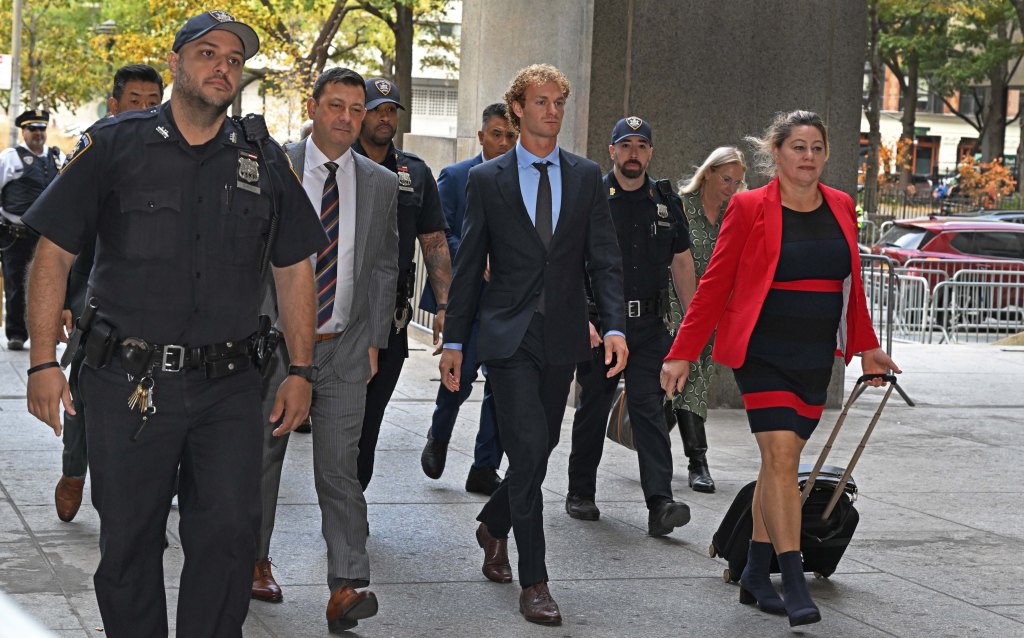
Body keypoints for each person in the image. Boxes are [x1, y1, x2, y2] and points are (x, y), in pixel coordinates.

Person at [22, 12, 327, 637]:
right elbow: (52, 254)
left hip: (231, 389)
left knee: (226, 540)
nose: (223, 67)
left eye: (235, 60)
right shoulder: (113, 144)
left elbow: (296, 266)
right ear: (176, 63)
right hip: (126, 385)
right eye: (208, 53)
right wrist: (43, 362)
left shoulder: (264, 161)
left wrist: (300, 369)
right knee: (130, 543)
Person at [660, 110, 900, 628]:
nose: (808, 156)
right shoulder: (748, 208)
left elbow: (851, 287)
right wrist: (682, 351)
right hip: (763, 353)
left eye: (816, 147)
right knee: (782, 458)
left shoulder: (841, 205)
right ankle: (790, 579)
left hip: (814, 357)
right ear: (777, 153)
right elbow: (714, 286)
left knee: (777, 467)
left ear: (827, 154)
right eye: (797, 147)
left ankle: (752, 574)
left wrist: (868, 348)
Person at [439, 64, 628, 625]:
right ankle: (536, 581)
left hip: (564, 334)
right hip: (506, 336)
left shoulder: (587, 175)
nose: (551, 110)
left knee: (539, 449)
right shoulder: (486, 180)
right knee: (526, 450)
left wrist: (613, 325)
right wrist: (454, 339)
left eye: (558, 102)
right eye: (541, 101)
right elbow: (470, 267)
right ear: (517, 108)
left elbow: (605, 259)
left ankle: (494, 524)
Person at [250, 67, 399, 634]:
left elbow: (384, 265)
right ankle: (256, 561)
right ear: (312, 107)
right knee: (264, 459)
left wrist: (374, 340)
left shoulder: (380, 182)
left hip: (344, 348)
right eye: (334, 105)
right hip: (273, 345)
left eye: (356, 109)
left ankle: (346, 585)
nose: (345, 118)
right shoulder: (271, 167)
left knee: (340, 469)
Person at [564, 116, 696, 535]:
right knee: (594, 405)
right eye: (625, 145)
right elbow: (572, 262)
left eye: (641, 145)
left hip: (650, 327)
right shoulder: (591, 196)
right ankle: (580, 491)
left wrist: (691, 327)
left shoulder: (664, 200)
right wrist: (582, 316)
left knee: (648, 409)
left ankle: (660, 502)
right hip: (602, 326)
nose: (633, 152)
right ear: (612, 151)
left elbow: (681, 262)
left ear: (651, 152)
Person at [54, 63, 165, 524]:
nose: (144, 111)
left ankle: (146, 488)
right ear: (114, 105)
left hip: (159, 295)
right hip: (95, 291)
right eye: (134, 102)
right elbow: (68, 236)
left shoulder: (180, 151)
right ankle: (74, 471)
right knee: (85, 381)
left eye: (152, 103)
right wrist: (64, 298)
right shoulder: (94, 148)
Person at [352, 77, 451, 490]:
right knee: (336, 422)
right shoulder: (336, 161)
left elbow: (433, 242)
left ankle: (351, 510)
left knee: (368, 423)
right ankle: (339, 509)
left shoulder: (416, 172)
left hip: (391, 320)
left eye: (391, 109)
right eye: (376, 108)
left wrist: (445, 306)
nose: (385, 117)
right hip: (341, 313)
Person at [419, 102, 517, 495]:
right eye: (497, 134)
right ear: (481, 136)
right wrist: (475, 258)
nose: (505, 143)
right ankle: (438, 436)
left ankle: (484, 466)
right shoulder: (457, 177)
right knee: (459, 378)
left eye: (511, 136)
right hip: (469, 300)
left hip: (509, 304)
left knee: (502, 386)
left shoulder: (525, 182)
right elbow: (440, 232)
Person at [662, 146, 748, 494]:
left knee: (687, 383)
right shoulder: (680, 205)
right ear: (708, 172)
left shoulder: (735, 214)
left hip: (714, 312)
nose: (731, 187)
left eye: (738, 182)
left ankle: (653, 441)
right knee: (688, 377)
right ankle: (697, 461)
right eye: (726, 178)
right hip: (676, 308)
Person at [0, 109, 64, 351]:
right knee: (16, 286)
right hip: (16, 235)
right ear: (23, 132)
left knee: (50, 286)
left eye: (41, 129)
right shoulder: (9, 158)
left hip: (49, 236)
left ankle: (49, 333)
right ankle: (16, 333)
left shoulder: (57, 157)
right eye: (32, 129)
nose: (38, 134)